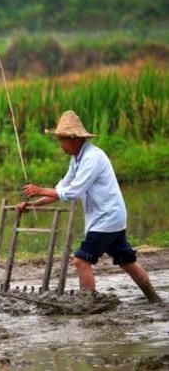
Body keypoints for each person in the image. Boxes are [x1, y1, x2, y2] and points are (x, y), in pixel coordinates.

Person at [15, 110, 162, 303]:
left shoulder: (92, 158)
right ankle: (155, 298)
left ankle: (88, 304)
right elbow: (61, 189)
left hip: (106, 219)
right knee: (127, 262)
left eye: (62, 140)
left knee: (81, 260)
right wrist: (33, 204)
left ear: (75, 139)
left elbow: (73, 192)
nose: (60, 145)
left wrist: (39, 189)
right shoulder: (76, 159)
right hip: (110, 218)